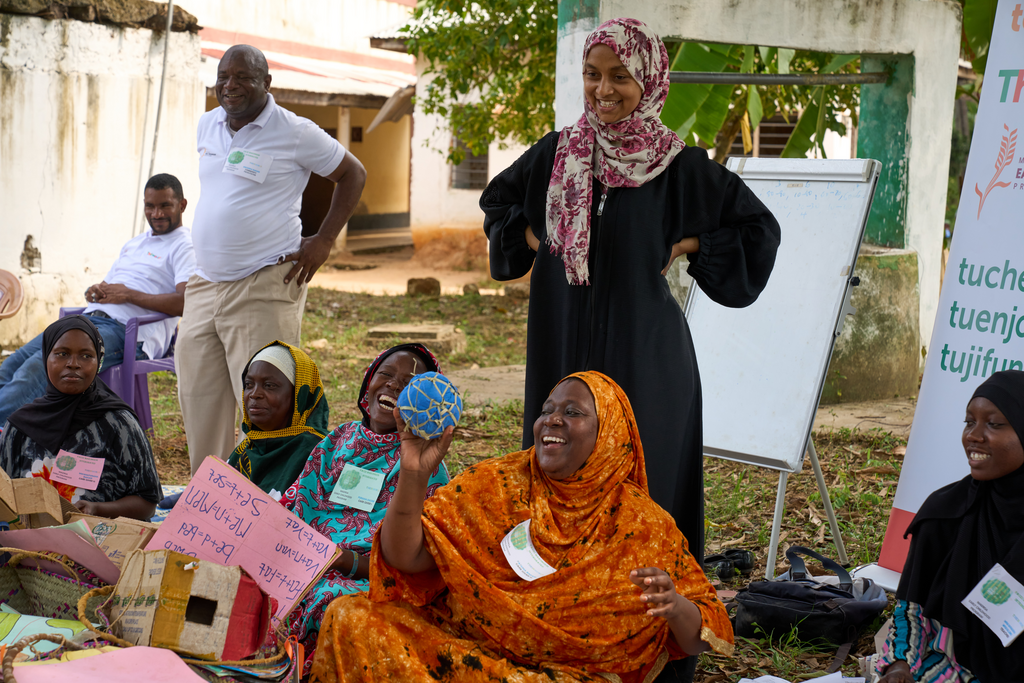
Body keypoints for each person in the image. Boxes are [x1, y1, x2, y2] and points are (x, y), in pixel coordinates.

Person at [480, 17, 780, 575]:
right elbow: (498, 203)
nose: (603, 90)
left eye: (620, 76)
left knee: (644, 478)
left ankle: (640, 612)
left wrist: (691, 242)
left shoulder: (677, 167)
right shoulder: (554, 156)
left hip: (646, 356)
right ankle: (556, 596)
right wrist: (534, 236)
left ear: (651, 81)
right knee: (558, 469)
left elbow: (757, 229)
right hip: (562, 346)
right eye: (592, 75)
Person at [310, 371, 733, 683]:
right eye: (547, 409)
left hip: (564, 676)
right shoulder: (496, 483)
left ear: (609, 435)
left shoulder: (642, 524)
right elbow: (407, 558)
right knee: (351, 617)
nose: (552, 419)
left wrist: (674, 605)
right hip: (463, 654)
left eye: (573, 412)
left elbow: (703, 634)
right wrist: (414, 473)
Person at [178, 44, 367, 474]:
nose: (230, 85)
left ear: (267, 82)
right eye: (224, 76)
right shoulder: (208, 125)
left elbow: (353, 173)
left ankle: (259, 503)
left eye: (243, 76)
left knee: (264, 405)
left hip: (264, 281)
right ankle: (206, 500)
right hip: (205, 284)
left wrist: (324, 239)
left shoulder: (295, 131)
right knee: (198, 398)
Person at [280, 344, 451, 676]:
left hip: (366, 580)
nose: (392, 386)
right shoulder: (339, 439)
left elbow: (415, 565)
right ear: (367, 383)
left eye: (408, 385)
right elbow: (296, 503)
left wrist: (344, 561)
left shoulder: (425, 468)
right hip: (301, 562)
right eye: (385, 375)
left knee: (335, 605)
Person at [0, 174, 194, 426]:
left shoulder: (184, 246)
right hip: (89, 321)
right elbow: (112, 288)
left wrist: (127, 295)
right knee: (13, 363)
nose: (156, 213)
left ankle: (8, 430)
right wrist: (96, 293)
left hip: (131, 332)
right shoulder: (135, 243)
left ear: (182, 205)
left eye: (164, 205)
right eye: (150, 206)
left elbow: (185, 302)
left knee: (36, 368)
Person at [873, 370, 1024, 683]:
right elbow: (911, 609)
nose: (974, 435)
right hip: (960, 669)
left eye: (994, 424)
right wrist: (900, 665)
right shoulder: (944, 511)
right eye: (969, 422)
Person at [0, 316, 162, 521]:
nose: (73, 364)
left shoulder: (119, 425)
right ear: (45, 359)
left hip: (100, 542)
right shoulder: (19, 428)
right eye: (62, 354)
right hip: (25, 549)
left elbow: (147, 504)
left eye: (86, 356)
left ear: (99, 362)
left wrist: (98, 509)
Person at [226, 340, 329, 499]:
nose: (254, 394)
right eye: (249, 384)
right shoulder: (248, 448)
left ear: (298, 395)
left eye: (269, 385)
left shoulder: (319, 453)